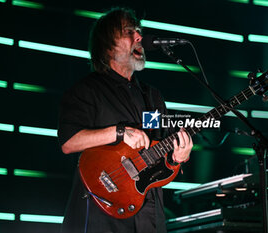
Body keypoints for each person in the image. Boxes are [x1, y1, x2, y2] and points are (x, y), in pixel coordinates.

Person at [58, 7, 193, 233]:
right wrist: (120, 132)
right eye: (129, 31)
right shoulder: (88, 89)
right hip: (102, 215)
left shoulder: (152, 96)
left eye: (139, 30)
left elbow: (157, 150)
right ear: (108, 44)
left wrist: (178, 158)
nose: (139, 36)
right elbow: (68, 142)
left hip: (149, 216)